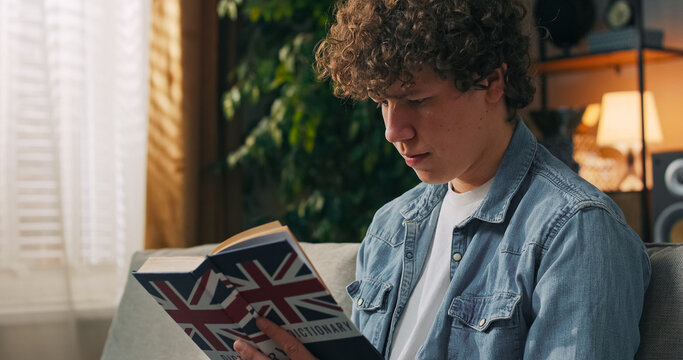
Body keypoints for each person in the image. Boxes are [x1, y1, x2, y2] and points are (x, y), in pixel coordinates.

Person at [234, 0, 651, 359]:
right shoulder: (389, 226)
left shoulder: (575, 230)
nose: (393, 131)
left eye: (418, 100)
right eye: (383, 102)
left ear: (491, 81)